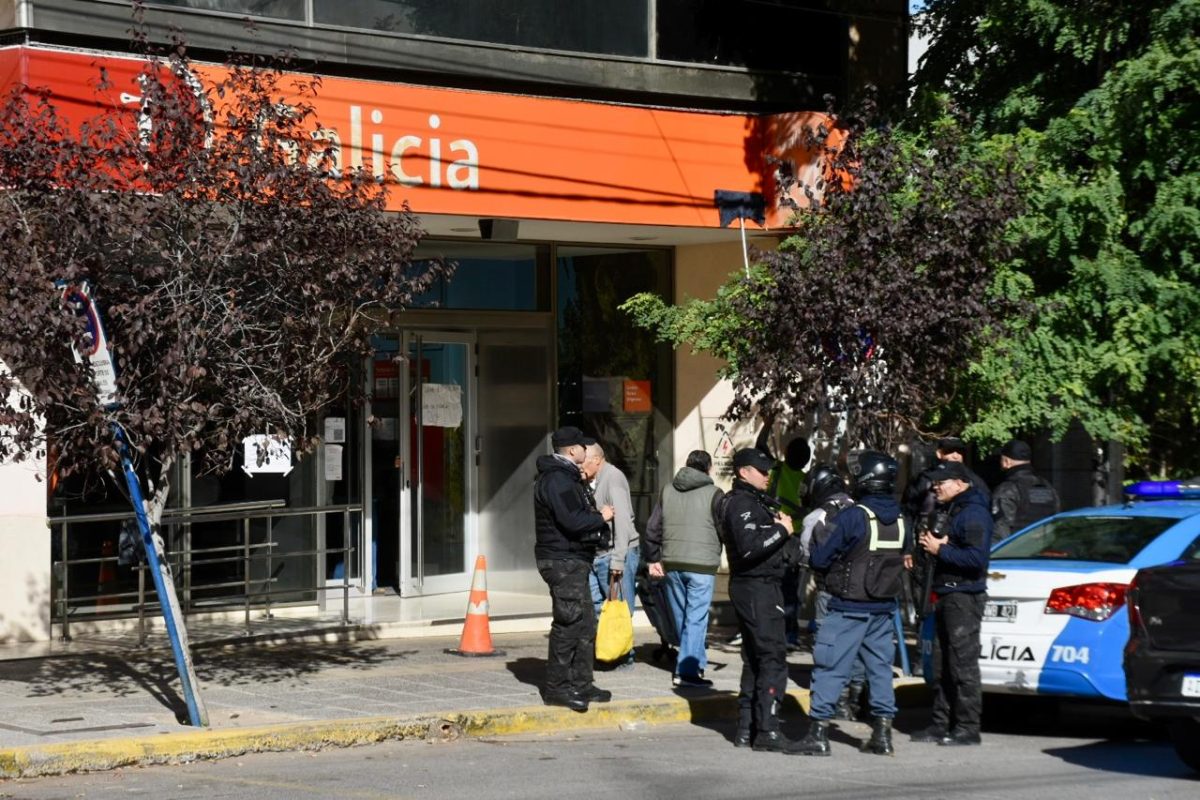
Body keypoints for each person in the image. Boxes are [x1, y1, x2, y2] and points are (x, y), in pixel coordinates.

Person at [795, 450, 908, 757]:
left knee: (830, 666)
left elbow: (819, 557)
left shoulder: (854, 516)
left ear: (866, 480)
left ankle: (818, 733)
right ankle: (883, 734)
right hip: (883, 609)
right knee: (880, 669)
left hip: (847, 607)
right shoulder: (900, 518)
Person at [722, 447, 803, 753]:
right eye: (762, 471)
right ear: (744, 471)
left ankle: (748, 727)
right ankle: (767, 729)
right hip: (756, 587)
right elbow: (749, 548)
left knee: (756, 658)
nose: (768, 477)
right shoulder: (741, 503)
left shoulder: (754, 501)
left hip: (760, 586)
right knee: (772, 656)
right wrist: (782, 530)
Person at [534, 426, 615, 712]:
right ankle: (557, 688)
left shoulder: (567, 478)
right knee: (569, 623)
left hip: (572, 559)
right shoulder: (558, 480)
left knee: (584, 623)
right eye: (582, 446)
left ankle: (582, 683)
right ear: (572, 450)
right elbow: (572, 521)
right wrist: (601, 517)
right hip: (562, 560)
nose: (586, 450)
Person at [912, 459, 992, 746]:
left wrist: (940, 548)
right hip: (946, 593)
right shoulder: (952, 509)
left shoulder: (974, 513)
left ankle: (968, 728)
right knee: (943, 663)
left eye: (941, 482)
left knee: (962, 665)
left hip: (963, 596)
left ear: (960, 483)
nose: (936, 486)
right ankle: (939, 724)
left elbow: (975, 559)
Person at [644, 450, 723, 687]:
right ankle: (686, 672)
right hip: (702, 565)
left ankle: (695, 663)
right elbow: (723, 529)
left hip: (672, 563)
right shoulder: (715, 494)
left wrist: (653, 558)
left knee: (682, 617)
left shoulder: (667, 490)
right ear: (708, 468)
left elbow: (652, 529)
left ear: (687, 466)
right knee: (696, 619)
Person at [799, 463, 865, 721]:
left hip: (829, 590)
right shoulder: (862, 511)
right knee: (859, 645)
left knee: (829, 646)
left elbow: (807, 557)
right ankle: (858, 698)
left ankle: (835, 700)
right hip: (863, 591)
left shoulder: (816, 517)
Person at [583, 442, 640, 667]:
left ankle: (624, 656)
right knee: (599, 606)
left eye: (583, 460)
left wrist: (618, 559)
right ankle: (608, 651)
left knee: (619, 608)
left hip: (615, 552)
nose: (580, 465)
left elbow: (623, 521)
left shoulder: (613, 477)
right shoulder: (589, 480)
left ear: (597, 459)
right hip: (597, 553)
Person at [756, 428, 810, 648]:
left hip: (774, 533)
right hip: (795, 539)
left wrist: (768, 423)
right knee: (791, 587)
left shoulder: (776, 469)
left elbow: (760, 444)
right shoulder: (808, 480)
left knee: (770, 584)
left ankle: (771, 630)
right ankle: (791, 634)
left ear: (786, 453)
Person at [991, 439, 1060, 541]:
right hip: (1045, 549)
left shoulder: (1007, 489)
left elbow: (1000, 530)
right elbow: (1056, 519)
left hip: (1018, 551)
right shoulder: (1046, 486)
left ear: (1007, 462)